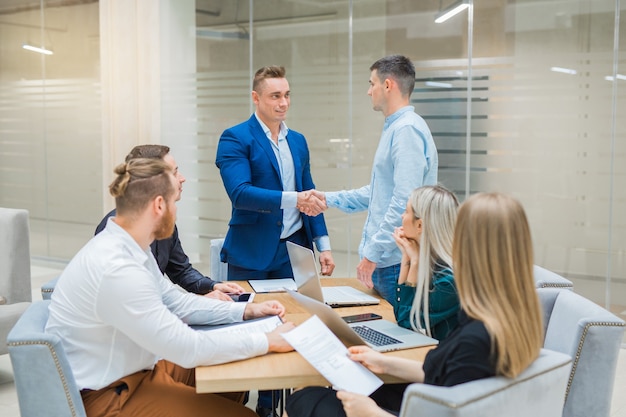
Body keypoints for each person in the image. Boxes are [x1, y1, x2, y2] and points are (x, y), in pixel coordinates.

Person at [46, 157, 294, 417]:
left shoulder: (131, 247)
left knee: (232, 377)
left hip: (138, 368)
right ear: (159, 205)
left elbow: (177, 301)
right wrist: (268, 340)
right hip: (110, 396)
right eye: (175, 202)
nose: (176, 210)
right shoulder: (118, 268)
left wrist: (246, 312)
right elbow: (188, 349)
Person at [284, 192, 544, 417]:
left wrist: (370, 412)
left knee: (304, 398)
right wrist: (384, 363)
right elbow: (440, 373)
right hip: (421, 400)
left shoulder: (475, 339)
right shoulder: (508, 318)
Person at [215, 65, 335, 417]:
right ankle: (239, 405)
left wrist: (324, 245)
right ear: (256, 98)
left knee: (292, 328)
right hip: (251, 255)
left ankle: (273, 406)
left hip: (292, 252)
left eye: (286, 95)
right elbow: (241, 193)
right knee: (249, 329)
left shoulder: (297, 140)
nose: (283, 103)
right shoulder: (235, 138)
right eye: (275, 96)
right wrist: (293, 198)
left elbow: (310, 193)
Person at [313, 55, 438, 305]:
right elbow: (380, 192)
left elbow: (405, 200)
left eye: (372, 84)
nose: (369, 91)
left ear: (388, 85)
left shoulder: (406, 131)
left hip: (395, 263)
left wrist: (372, 253)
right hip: (388, 262)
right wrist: (328, 199)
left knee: (399, 337)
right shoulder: (395, 128)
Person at [96, 144, 244, 302]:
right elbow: (144, 302)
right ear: (156, 180)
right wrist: (202, 302)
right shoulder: (118, 234)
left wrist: (213, 286)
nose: (182, 178)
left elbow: (180, 271)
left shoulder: (162, 222)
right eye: (175, 173)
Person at [392, 185, 460, 340]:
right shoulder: (433, 263)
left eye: (406, 211)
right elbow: (400, 312)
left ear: (420, 225)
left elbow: (407, 323)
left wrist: (414, 262)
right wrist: (407, 258)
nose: (402, 216)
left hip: (450, 360)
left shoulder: (449, 281)